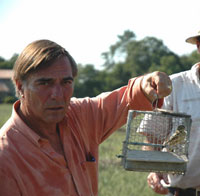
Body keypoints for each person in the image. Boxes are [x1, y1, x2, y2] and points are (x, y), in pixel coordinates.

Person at [0, 39, 171, 196]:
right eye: (45, 83)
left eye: (66, 82)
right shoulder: (6, 157)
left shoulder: (80, 116)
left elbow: (126, 100)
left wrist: (147, 83)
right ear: (20, 86)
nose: (57, 94)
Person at [142, 31, 200, 196]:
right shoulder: (175, 86)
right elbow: (152, 136)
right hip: (182, 192)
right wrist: (155, 171)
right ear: (198, 46)